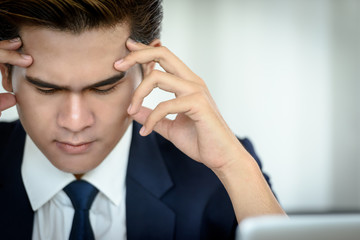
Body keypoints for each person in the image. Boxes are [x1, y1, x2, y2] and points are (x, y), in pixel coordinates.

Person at [0, 0, 285, 239]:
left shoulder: (213, 176)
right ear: (5, 73)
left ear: (148, 68)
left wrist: (234, 168)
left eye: (104, 88)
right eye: (46, 89)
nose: (75, 122)